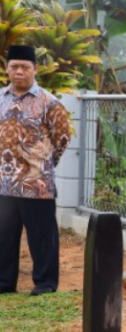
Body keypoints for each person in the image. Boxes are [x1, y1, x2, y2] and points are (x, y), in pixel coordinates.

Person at [0, 45, 71, 296]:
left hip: (36, 184)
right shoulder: (0, 98)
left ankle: (45, 284)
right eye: (15, 66)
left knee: (42, 237)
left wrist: (43, 165)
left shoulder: (49, 102)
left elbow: (62, 137)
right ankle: (4, 283)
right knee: (4, 236)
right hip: (3, 184)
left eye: (25, 67)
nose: (19, 71)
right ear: (7, 69)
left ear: (35, 70)